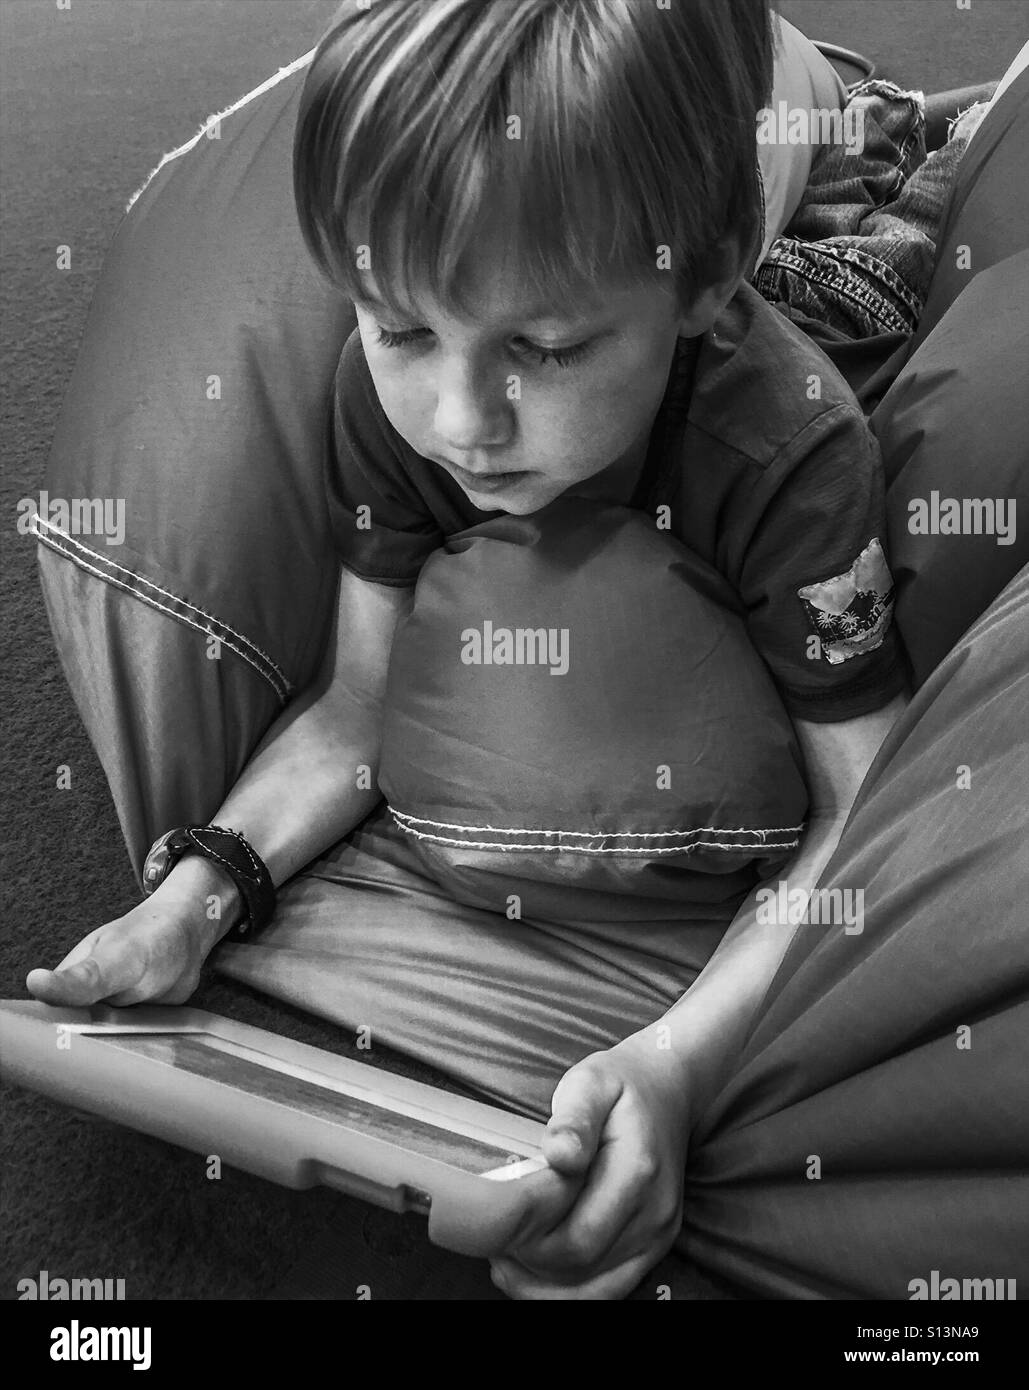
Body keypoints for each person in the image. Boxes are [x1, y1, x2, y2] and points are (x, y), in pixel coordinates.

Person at [28, 0, 925, 1298]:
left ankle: (863, 112)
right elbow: (355, 709)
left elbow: (868, 807)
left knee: (874, 204)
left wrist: (674, 1063)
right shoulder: (384, 400)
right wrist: (196, 896)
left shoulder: (787, 448)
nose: (458, 420)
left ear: (698, 284)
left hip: (834, 288)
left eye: (544, 347)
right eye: (401, 328)